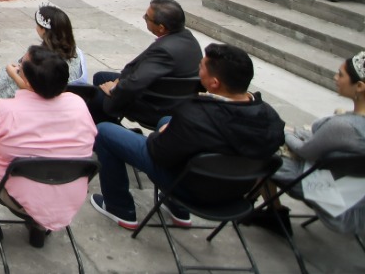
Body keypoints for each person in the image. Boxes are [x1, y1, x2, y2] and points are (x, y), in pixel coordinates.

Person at [90, 43, 284, 229]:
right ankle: (177, 208)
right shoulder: (270, 117)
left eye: (201, 68)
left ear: (214, 83)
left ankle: (119, 208)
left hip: (191, 188)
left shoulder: (195, 116)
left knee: (106, 131)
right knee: (166, 119)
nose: (197, 71)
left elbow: (158, 153)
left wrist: (161, 135)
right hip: (235, 191)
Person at [0, 46, 97, 247]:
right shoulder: (78, 105)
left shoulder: (8, 110)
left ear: (27, 80)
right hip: (67, 197)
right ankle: (39, 227)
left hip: (19, 196)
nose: (17, 67)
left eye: (21, 66)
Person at [260, 51, 365, 235]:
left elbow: (304, 151)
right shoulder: (348, 124)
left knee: (260, 149)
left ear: (359, 86)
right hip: (355, 189)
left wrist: (284, 131)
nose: (335, 77)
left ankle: (275, 212)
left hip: (323, 186)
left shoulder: (345, 127)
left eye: (340, 75)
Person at [87, 0, 202, 127]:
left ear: (161, 28)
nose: (144, 18)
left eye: (147, 17)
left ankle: (113, 135)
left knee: (96, 97)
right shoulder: (187, 37)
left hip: (158, 105)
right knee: (101, 77)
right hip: (169, 92)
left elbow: (135, 83)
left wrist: (113, 89)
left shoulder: (165, 51)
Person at [0, 3, 87, 118]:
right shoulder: (74, 50)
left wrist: (12, 73)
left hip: (45, 95)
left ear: (43, 30)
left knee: (8, 73)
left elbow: (33, 88)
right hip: (61, 92)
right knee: (13, 70)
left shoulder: (46, 58)